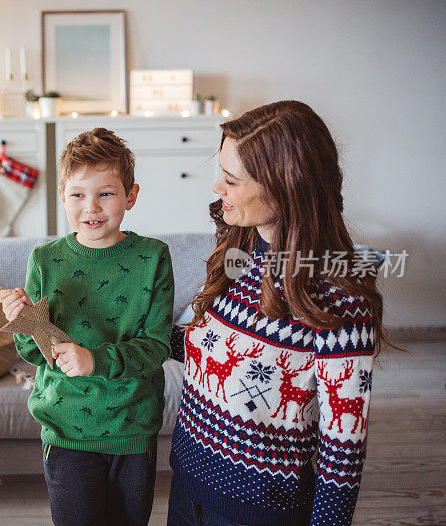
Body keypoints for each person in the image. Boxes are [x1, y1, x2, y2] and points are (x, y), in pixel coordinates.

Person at [167, 100, 389, 526]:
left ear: (286, 186)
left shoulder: (339, 298)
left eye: (231, 180)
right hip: (187, 486)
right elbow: (202, 352)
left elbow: (342, 454)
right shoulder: (238, 254)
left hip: (259, 512)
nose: (217, 187)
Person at [0, 127, 175, 526]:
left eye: (106, 194)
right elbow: (33, 354)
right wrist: (22, 322)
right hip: (66, 431)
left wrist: (94, 359)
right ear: (62, 196)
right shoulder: (45, 259)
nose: (90, 207)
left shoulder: (153, 258)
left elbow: (157, 345)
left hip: (132, 429)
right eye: (77, 194)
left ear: (130, 196)